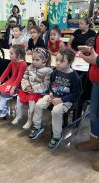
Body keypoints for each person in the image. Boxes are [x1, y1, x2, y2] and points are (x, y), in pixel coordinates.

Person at [30, 48, 81, 149]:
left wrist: (61, 100)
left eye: (61, 61)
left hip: (67, 100)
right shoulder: (55, 72)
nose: (57, 63)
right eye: (57, 60)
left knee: (56, 111)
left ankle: (57, 136)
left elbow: (76, 94)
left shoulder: (74, 77)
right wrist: (51, 93)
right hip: (54, 96)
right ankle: (37, 126)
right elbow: (51, 85)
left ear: (70, 62)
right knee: (39, 104)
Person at [12, 48, 53, 129]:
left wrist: (33, 89)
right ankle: (18, 115)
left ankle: (30, 120)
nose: (34, 62)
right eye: (33, 59)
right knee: (18, 97)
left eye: (37, 60)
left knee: (32, 101)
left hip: (39, 93)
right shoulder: (30, 67)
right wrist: (26, 86)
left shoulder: (48, 71)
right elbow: (24, 78)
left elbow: (45, 85)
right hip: (28, 89)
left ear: (44, 60)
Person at [75, 35, 99, 171]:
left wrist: (96, 59)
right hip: (96, 80)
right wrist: (91, 53)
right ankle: (95, 141)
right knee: (94, 115)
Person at [0, 44, 27, 118]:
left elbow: (19, 78)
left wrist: (13, 88)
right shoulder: (11, 62)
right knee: (0, 89)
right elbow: (4, 73)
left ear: (18, 55)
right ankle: (4, 108)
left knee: (5, 91)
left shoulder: (23, 64)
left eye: (11, 53)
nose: (9, 55)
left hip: (18, 84)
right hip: (11, 81)